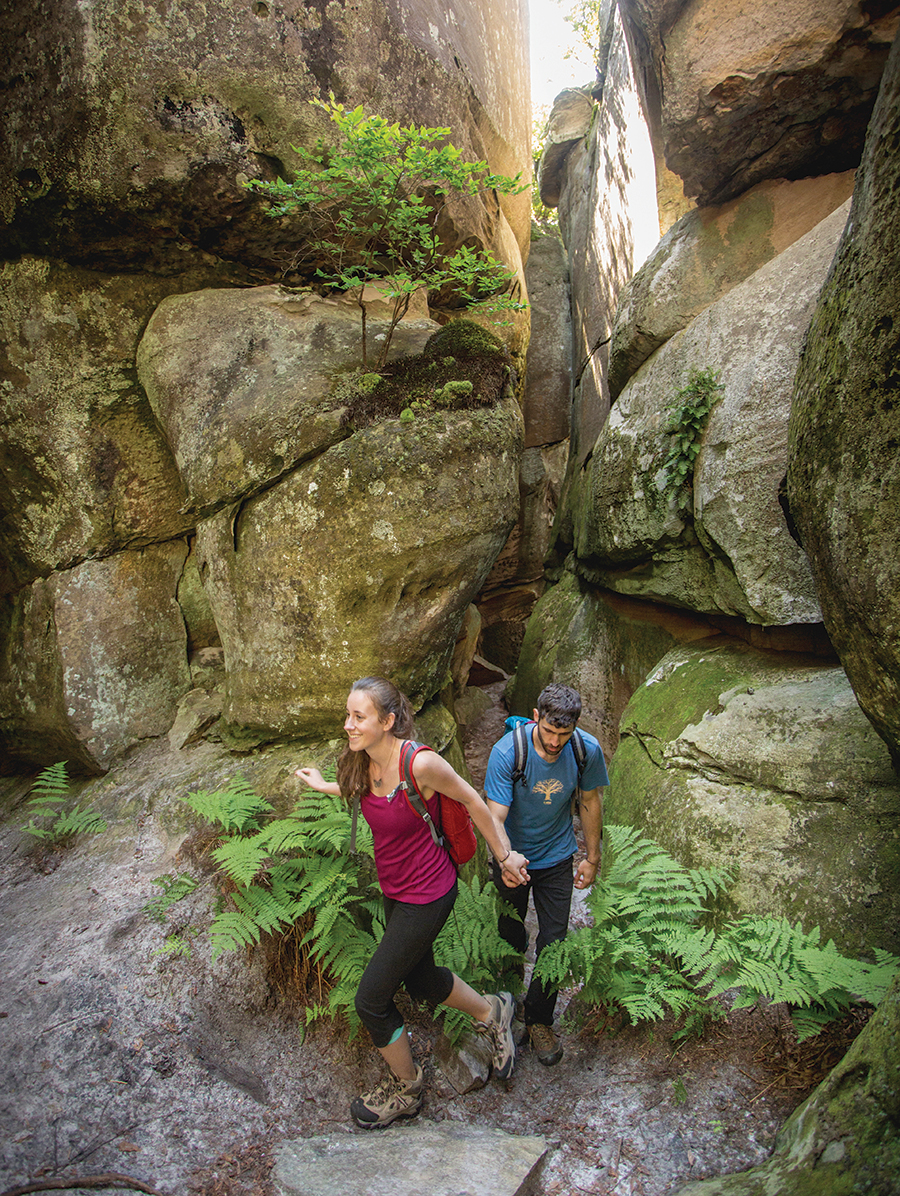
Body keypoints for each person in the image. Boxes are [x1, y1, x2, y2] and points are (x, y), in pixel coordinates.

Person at [295, 675, 530, 1129]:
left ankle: (407, 1087)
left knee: (371, 999)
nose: (348, 724)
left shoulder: (419, 764)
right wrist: (323, 784)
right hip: (396, 892)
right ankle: (492, 1012)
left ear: (386, 721)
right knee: (421, 981)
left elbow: (473, 801)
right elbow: (360, 793)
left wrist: (503, 856)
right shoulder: (363, 762)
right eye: (348, 715)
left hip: (431, 893)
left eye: (358, 717)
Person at [484, 683, 609, 1066]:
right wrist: (505, 860)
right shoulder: (509, 752)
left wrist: (591, 857)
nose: (556, 742)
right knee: (509, 933)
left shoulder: (585, 750)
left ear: (575, 727)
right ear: (536, 717)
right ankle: (506, 1007)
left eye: (564, 733)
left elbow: (589, 801)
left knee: (553, 943)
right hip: (513, 855)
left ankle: (539, 1018)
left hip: (556, 856)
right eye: (550, 731)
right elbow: (495, 816)